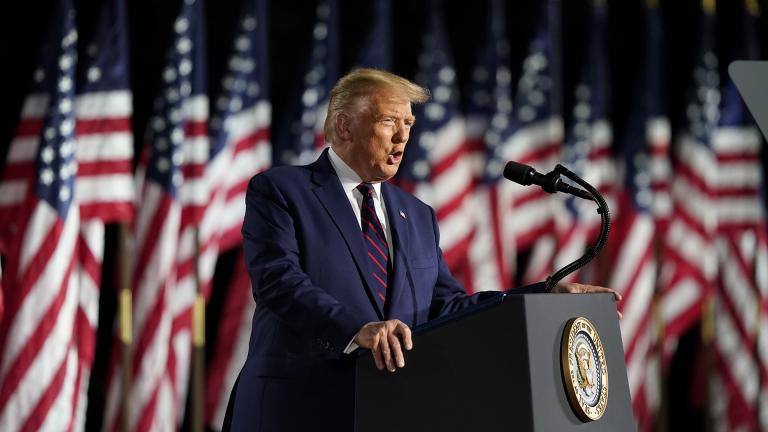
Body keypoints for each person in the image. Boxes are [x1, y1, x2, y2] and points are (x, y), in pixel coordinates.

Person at [226, 68, 620, 432]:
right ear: (344, 126)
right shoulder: (281, 191)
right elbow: (279, 282)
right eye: (388, 122)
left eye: (408, 124)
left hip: (388, 411)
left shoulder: (416, 215)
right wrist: (355, 330)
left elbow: (448, 308)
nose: (402, 137)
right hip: (296, 409)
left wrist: (545, 297)